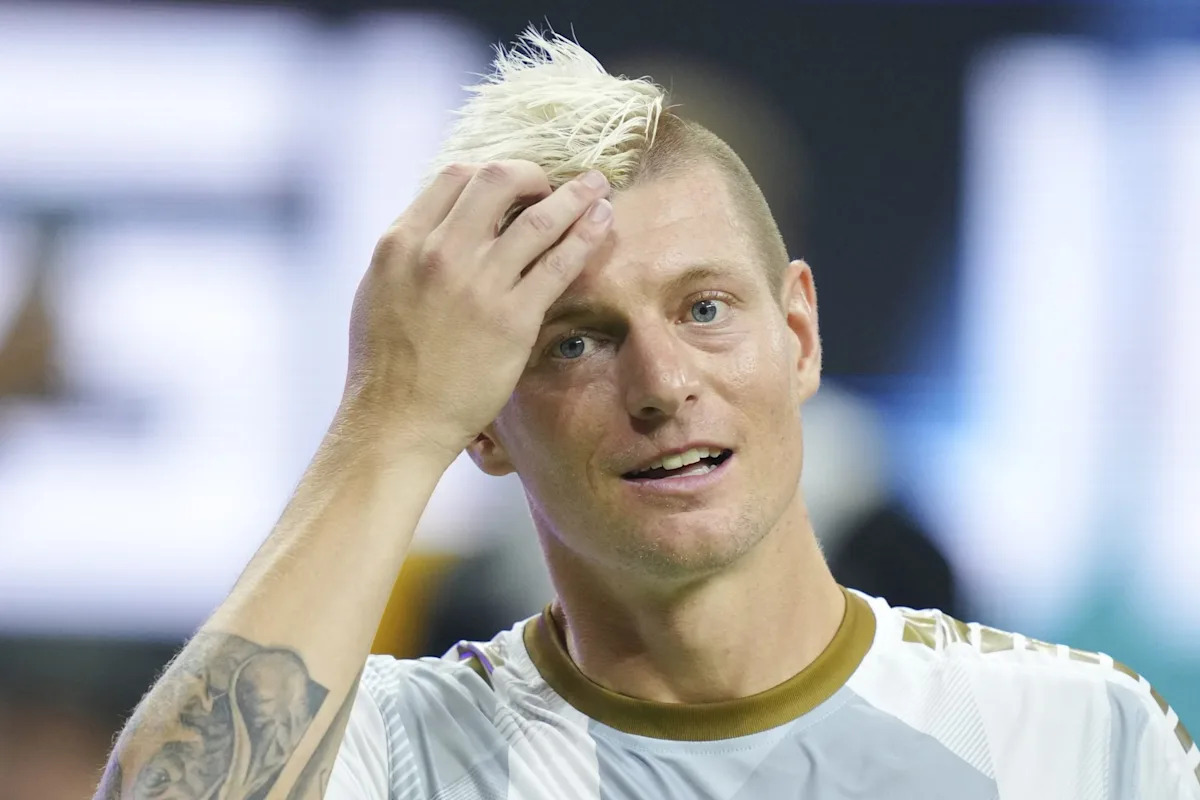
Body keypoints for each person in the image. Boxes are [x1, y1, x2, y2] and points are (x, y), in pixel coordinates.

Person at [95, 30, 1198, 799]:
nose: (663, 383)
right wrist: (388, 419)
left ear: (800, 333)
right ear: (481, 419)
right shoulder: (395, 753)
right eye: (575, 340)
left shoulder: (1080, 740)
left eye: (705, 308)